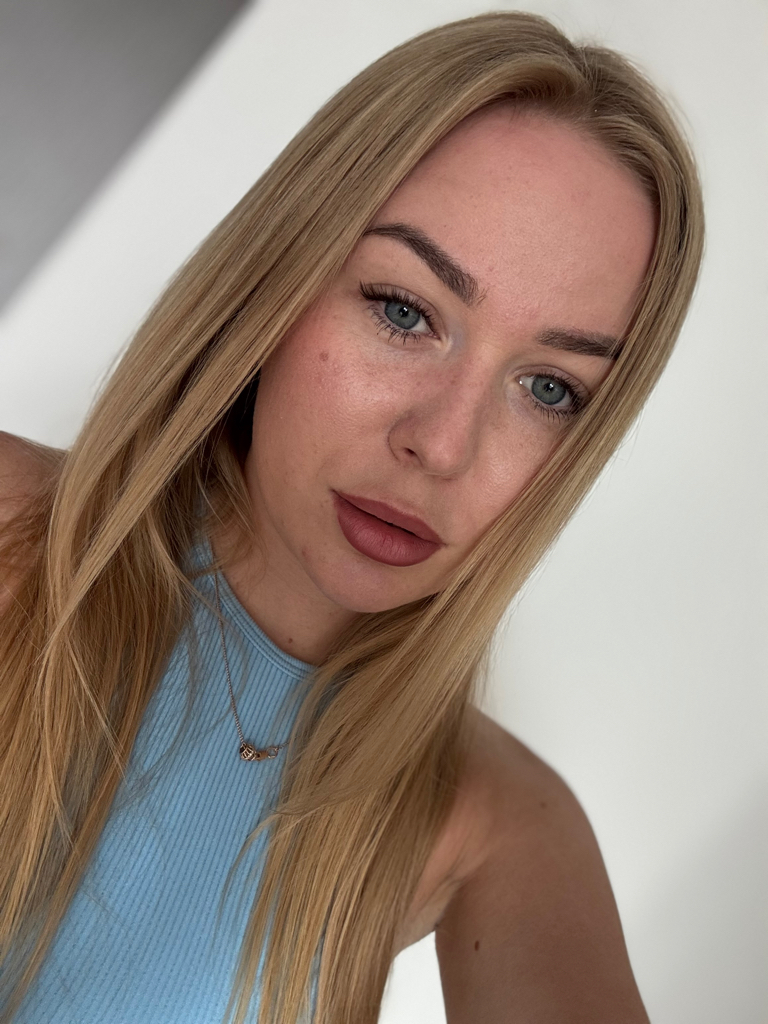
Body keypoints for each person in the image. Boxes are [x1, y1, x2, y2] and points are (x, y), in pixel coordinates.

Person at [0, 10, 704, 1024]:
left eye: (549, 388)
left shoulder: (495, 826)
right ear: (279, 282)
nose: (443, 445)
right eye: (404, 311)